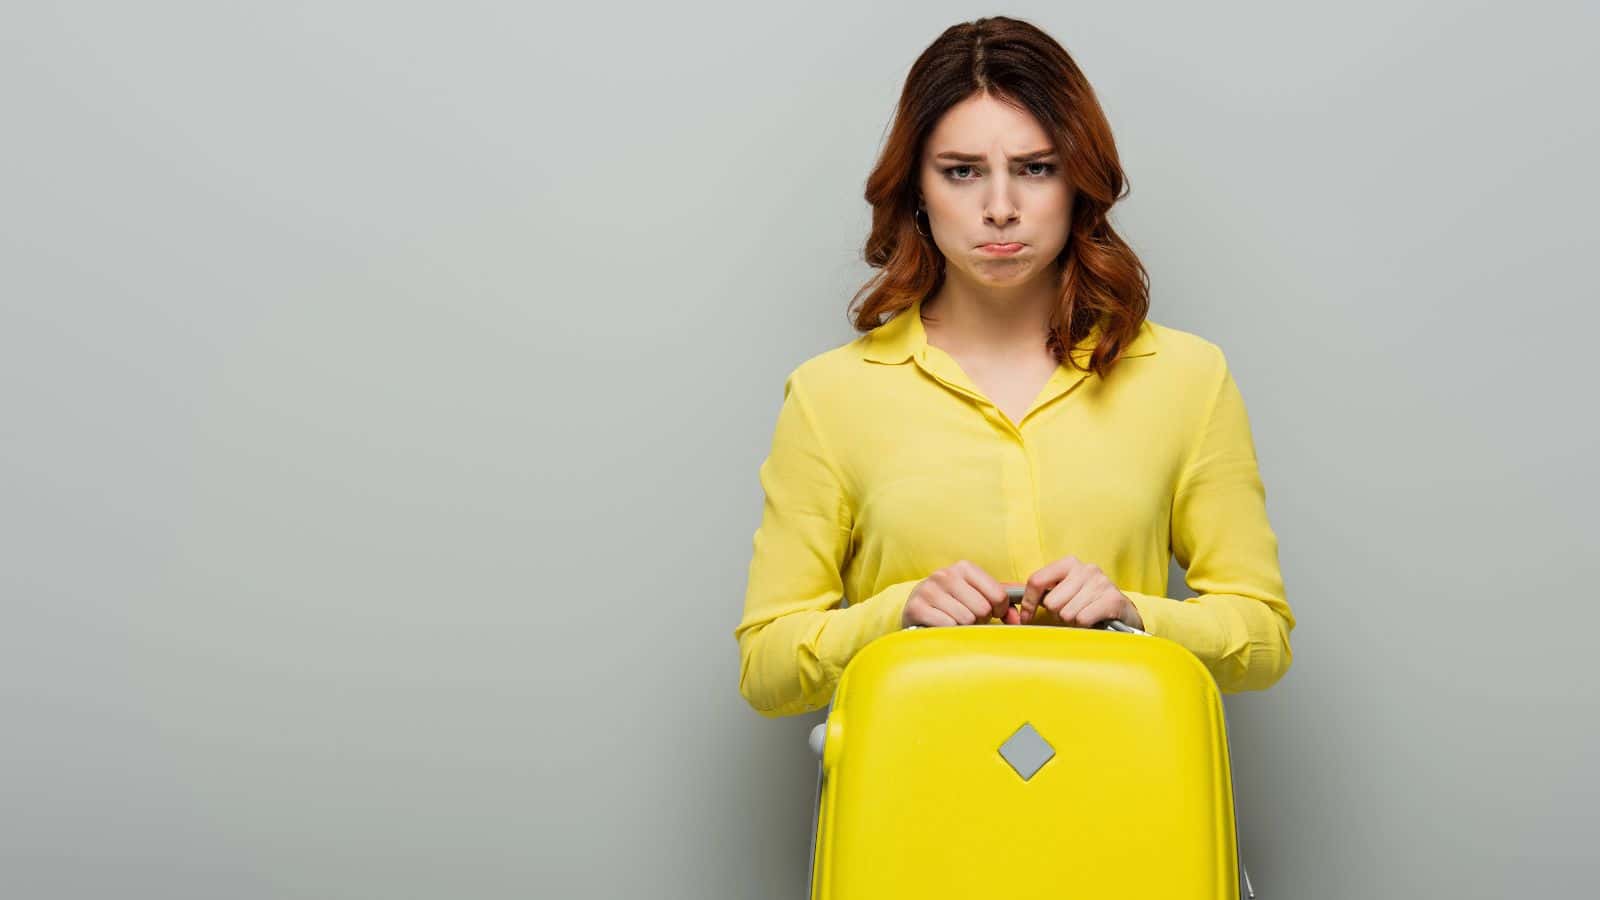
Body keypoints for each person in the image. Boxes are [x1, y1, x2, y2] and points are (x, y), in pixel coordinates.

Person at [733, 16, 1296, 718]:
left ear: (1078, 182)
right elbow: (766, 668)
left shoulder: (1187, 377)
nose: (1000, 209)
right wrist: (895, 617)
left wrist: (1136, 616)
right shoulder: (829, 396)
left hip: (1126, 776)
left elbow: (1263, 636)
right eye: (962, 172)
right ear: (917, 188)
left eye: (1035, 168)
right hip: (913, 782)